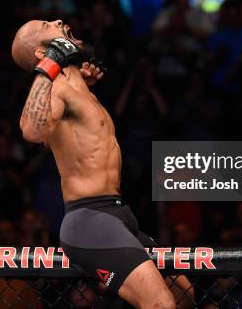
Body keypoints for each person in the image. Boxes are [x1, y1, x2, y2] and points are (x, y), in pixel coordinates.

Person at [11, 19, 193, 309]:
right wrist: (52, 66)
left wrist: (79, 77)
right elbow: (32, 131)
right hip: (89, 221)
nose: (58, 21)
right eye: (47, 24)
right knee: (161, 304)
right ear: (40, 52)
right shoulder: (56, 89)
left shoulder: (77, 87)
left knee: (183, 296)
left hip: (118, 214)